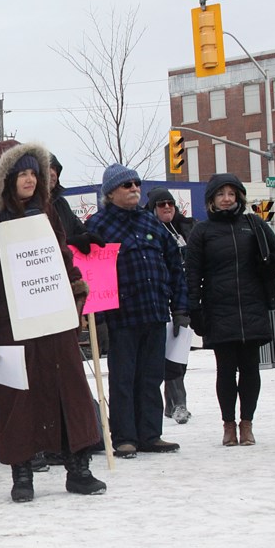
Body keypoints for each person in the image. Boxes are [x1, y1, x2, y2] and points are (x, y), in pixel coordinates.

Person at [0, 143, 105, 503]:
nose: (29, 179)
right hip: (12, 325)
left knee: (68, 392)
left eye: (33, 173)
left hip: (53, 319)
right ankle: (22, 472)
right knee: (17, 401)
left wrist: (75, 294)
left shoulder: (47, 215)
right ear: (4, 179)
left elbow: (62, 259)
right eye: (21, 173)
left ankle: (78, 467)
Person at [86, 164, 188, 458]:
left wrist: (180, 308)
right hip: (121, 318)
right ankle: (124, 437)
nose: (134, 189)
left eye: (136, 184)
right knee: (123, 379)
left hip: (155, 312)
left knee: (151, 377)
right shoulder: (97, 226)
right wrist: (100, 320)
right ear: (110, 192)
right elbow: (90, 274)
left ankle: (150, 434)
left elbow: (175, 268)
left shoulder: (151, 223)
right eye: (126, 185)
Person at [185, 174, 275, 447]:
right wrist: (193, 308)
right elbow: (192, 273)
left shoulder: (253, 224)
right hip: (219, 308)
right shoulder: (202, 231)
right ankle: (228, 425)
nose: (226, 199)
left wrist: (268, 266)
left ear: (239, 198)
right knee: (225, 371)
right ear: (212, 200)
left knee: (251, 369)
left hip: (253, 306)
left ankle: (247, 424)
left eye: (231, 194)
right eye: (221, 194)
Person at [145, 187, 196, 425]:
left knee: (179, 353)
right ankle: (179, 405)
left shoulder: (189, 228)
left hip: (187, 299)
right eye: (161, 204)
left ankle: (171, 404)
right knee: (170, 356)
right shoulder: (148, 230)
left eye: (170, 203)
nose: (167, 207)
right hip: (160, 301)